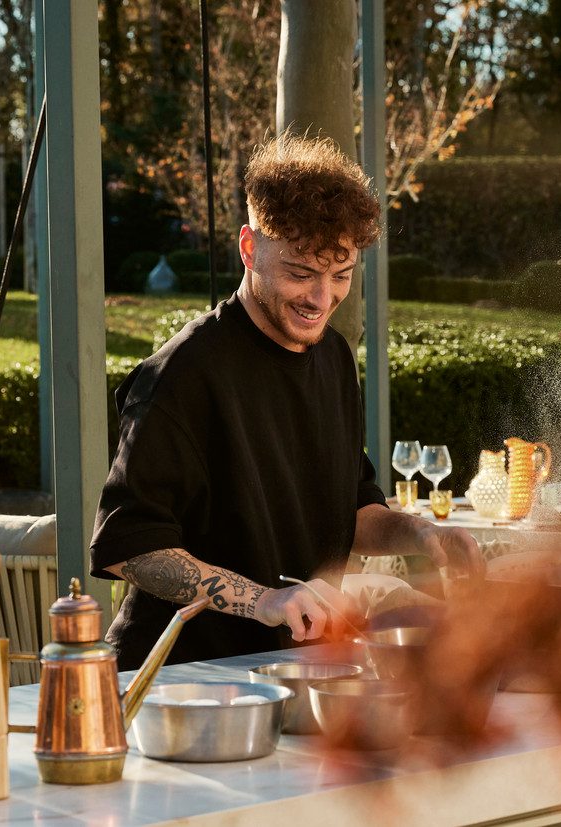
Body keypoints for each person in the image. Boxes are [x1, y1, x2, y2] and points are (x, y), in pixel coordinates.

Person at [90, 134, 482, 669]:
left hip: (296, 669)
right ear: (250, 249)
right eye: (301, 273)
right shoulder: (183, 373)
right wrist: (263, 601)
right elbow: (128, 546)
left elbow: (351, 509)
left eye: (340, 275)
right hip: (178, 678)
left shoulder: (336, 358)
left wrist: (419, 533)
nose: (322, 299)